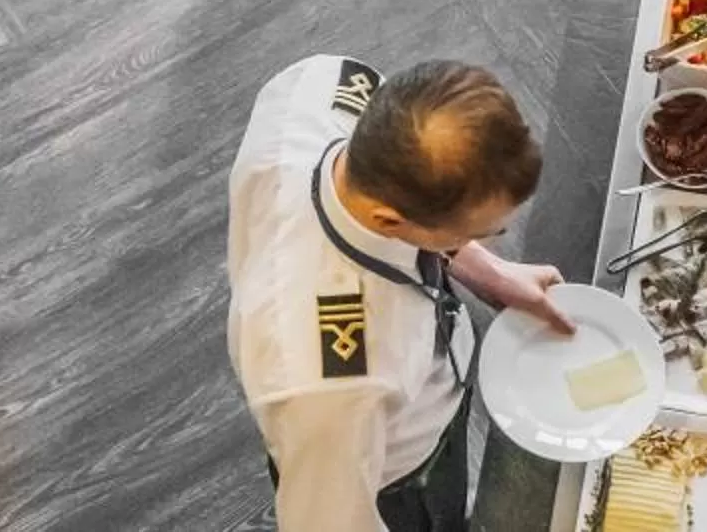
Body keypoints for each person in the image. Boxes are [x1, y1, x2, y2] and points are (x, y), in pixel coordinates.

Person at [227, 57, 575, 532]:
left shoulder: (328, 81)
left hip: (427, 391)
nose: (493, 239)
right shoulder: (334, 385)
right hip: (398, 478)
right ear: (389, 221)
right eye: (483, 232)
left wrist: (489, 272)